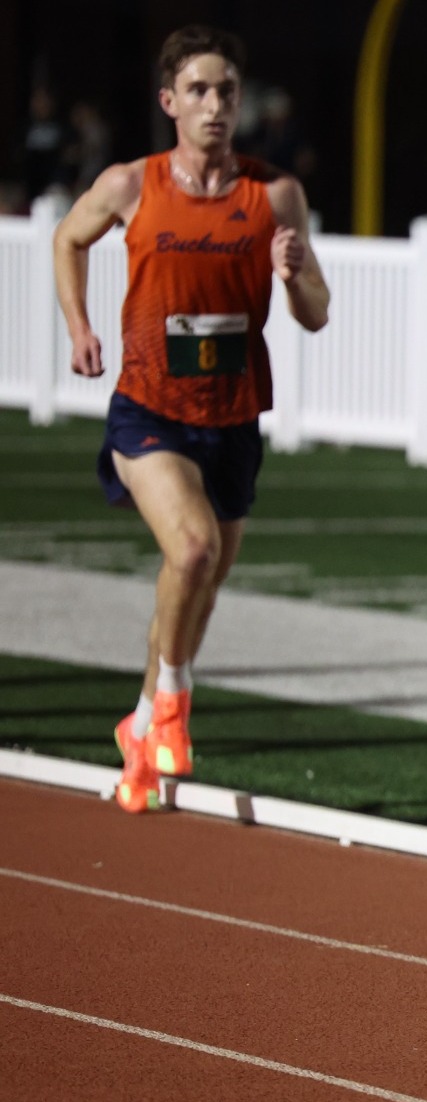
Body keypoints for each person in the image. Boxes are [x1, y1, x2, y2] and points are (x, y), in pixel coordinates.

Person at [53, 25, 330, 814]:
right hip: (150, 409)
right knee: (194, 546)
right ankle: (172, 698)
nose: (215, 105)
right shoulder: (130, 185)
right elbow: (67, 238)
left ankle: (142, 726)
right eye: (199, 90)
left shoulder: (274, 195)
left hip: (233, 418)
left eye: (227, 91)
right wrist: (79, 326)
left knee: (197, 588)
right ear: (169, 101)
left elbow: (315, 312)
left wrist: (295, 275)